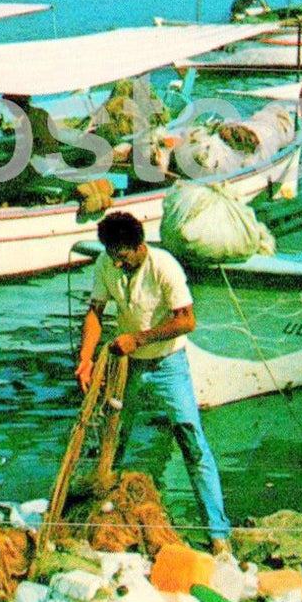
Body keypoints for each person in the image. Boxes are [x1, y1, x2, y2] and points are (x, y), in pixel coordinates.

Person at [76, 211, 232, 556]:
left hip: (168, 363)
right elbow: (95, 312)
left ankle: (218, 534)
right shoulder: (106, 262)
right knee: (112, 442)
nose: (116, 264)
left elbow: (187, 320)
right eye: (111, 255)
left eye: (122, 256)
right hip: (125, 365)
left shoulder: (164, 266)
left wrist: (140, 338)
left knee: (192, 442)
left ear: (138, 246)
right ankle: (105, 520)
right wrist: (86, 357)